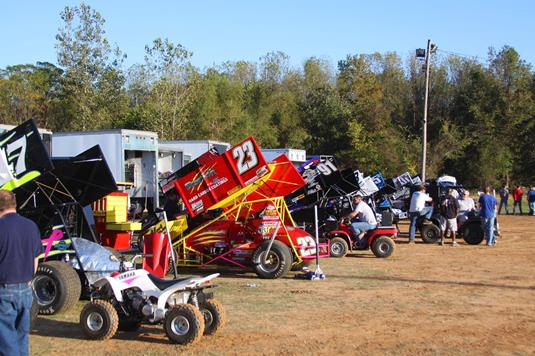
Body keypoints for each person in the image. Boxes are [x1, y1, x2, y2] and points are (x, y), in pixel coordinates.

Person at [0, 190, 43, 356]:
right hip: (26, 288)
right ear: (15, 204)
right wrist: (30, 279)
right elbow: (36, 257)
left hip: (4, 289)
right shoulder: (30, 226)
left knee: (6, 341)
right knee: (21, 337)